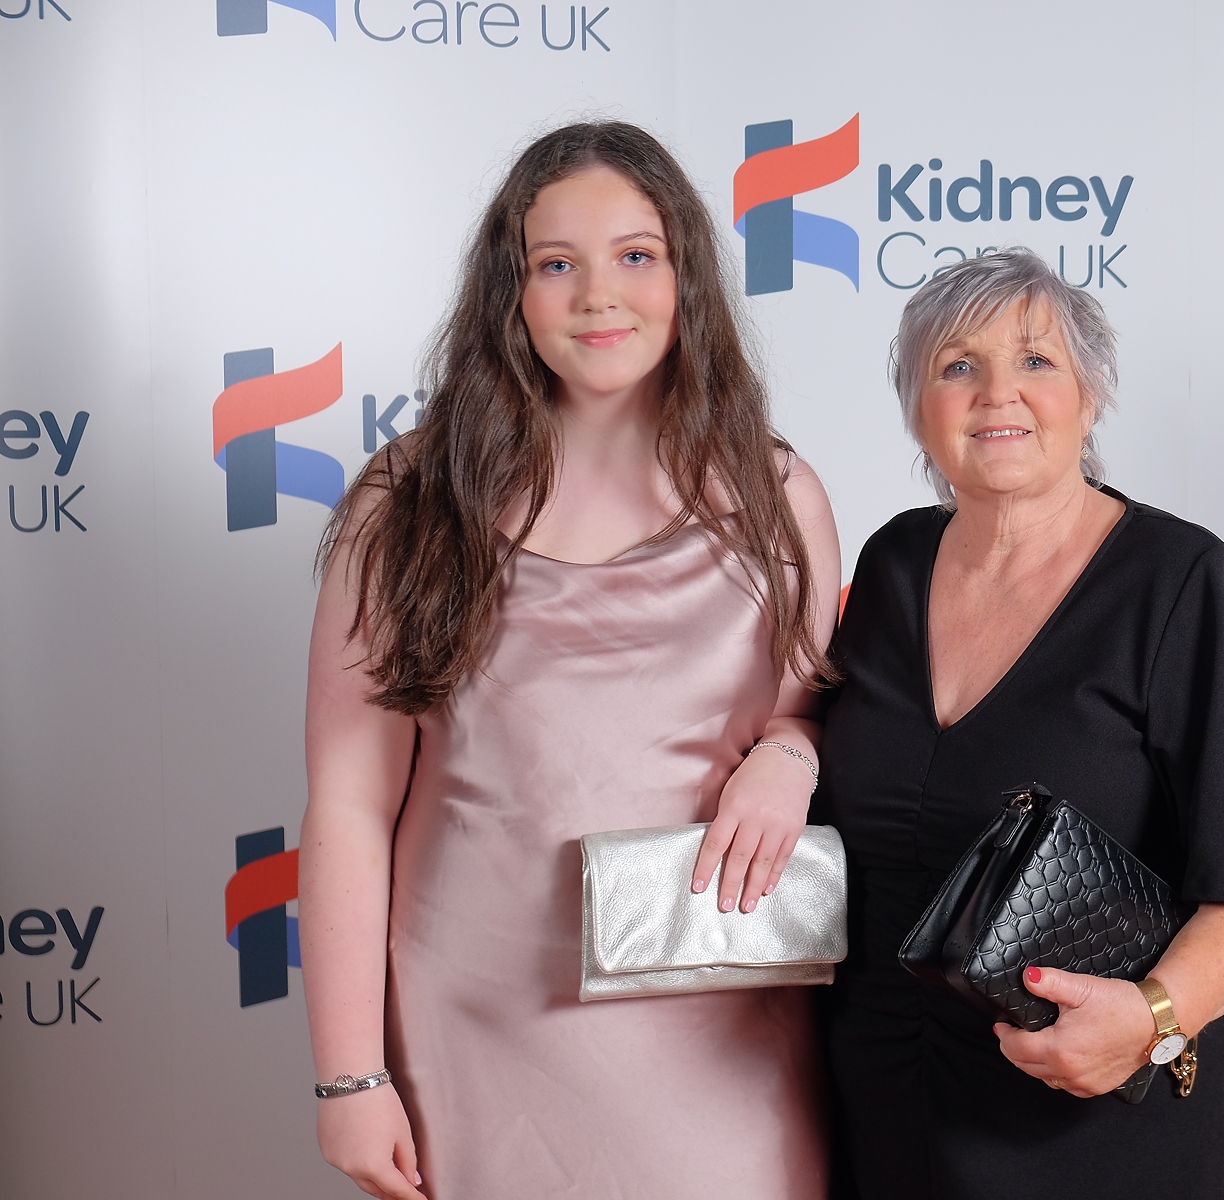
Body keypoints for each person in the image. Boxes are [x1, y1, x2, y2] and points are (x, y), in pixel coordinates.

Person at [299, 122, 839, 1200]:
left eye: (637, 255)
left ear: (687, 277)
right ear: (511, 291)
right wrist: (349, 1077)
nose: (600, 296)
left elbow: (812, 714)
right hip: (472, 1023)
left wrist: (792, 757)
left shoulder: (779, 493)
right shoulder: (408, 502)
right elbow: (349, 805)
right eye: (557, 264)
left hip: (722, 1027)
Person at [813, 248, 1224, 1199]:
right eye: (957, 366)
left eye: (1035, 361)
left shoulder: (1182, 583)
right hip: (886, 1111)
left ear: (1090, 396)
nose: (997, 394)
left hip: (1094, 1126)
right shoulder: (892, 564)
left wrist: (1153, 1018)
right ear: (918, 408)